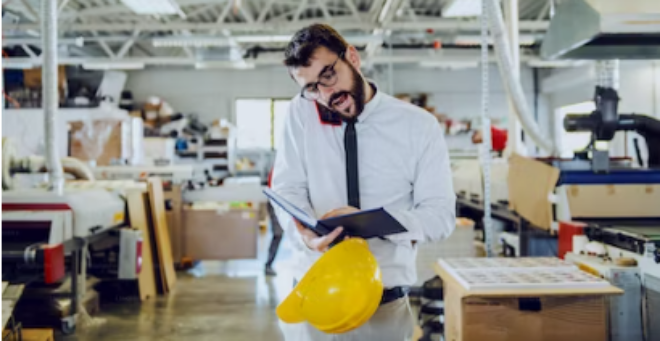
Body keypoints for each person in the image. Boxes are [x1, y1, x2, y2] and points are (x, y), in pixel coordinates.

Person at [270, 24, 456, 341]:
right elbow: (287, 190)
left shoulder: (418, 126)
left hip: (385, 304)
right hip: (318, 299)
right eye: (312, 87)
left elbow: (440, 217)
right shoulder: (300, 113)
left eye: (328, 75)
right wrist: (305, 236)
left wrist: (376, 223)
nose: (326, 94)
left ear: (352, 58)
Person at [265, 166, 283, 276]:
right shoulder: (278, 167)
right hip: (275, 203)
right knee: (278, 234)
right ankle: (268, 265)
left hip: (282, 203)